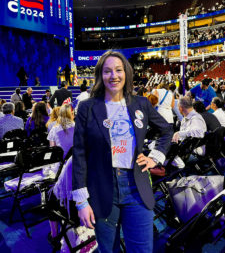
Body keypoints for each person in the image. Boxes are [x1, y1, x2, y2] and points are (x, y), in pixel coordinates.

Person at [72, 50, 173, 253]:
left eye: (118, 70)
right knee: (108, 250)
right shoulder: (87, 107)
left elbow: (167, 129)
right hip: (101, 188)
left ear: (126, 73)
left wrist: (156, 157)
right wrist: (81, 201)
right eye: (107, 71)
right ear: (100, 75)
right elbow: (80, 154)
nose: (114, 76)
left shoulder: (141, 103)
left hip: (136, 187)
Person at [171, 96, 207, 168]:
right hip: (185, 150)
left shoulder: (195, 118)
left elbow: (199, 132)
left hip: (188, 154)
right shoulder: (187, 117)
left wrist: (179, 133)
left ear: (180, 108)